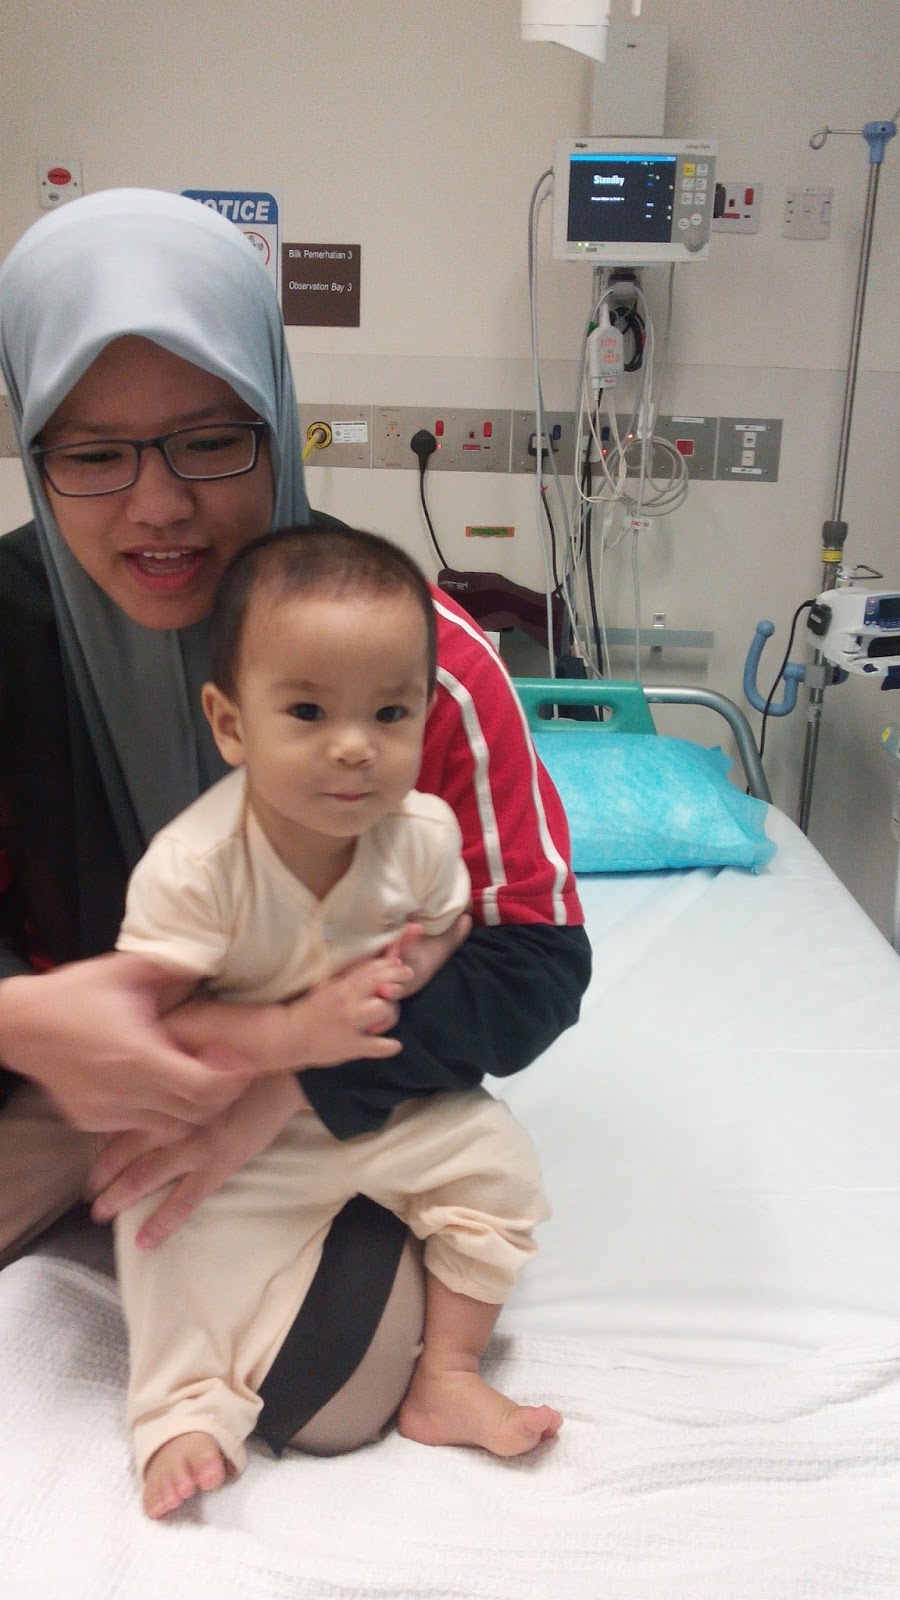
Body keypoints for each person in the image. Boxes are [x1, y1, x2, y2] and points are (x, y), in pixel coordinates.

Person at [0, 189, 591, 1475]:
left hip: (329, 1084)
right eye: (92, 454)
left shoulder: (409, 663)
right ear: (35, 450)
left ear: (276, 416)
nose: (157, 505)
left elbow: (534, 959)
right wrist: (25, 1020)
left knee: (337, 1392)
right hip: (57, 1078)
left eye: (210, 440)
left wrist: (285, 1080)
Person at [113, 522, 562, 1516]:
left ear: (426, 715)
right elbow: (161, 1022)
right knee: (162, 1227)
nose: (354, 745)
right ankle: (179, 1414)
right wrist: (292, 1040)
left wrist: (410, 970)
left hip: (386, 1103)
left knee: (500, 1166)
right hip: (244, 1119)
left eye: (389, 712)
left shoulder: (422, 833)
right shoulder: (195, 868)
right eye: (308, 711)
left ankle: (446, 1373)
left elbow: (449, 924)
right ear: (232, 724)